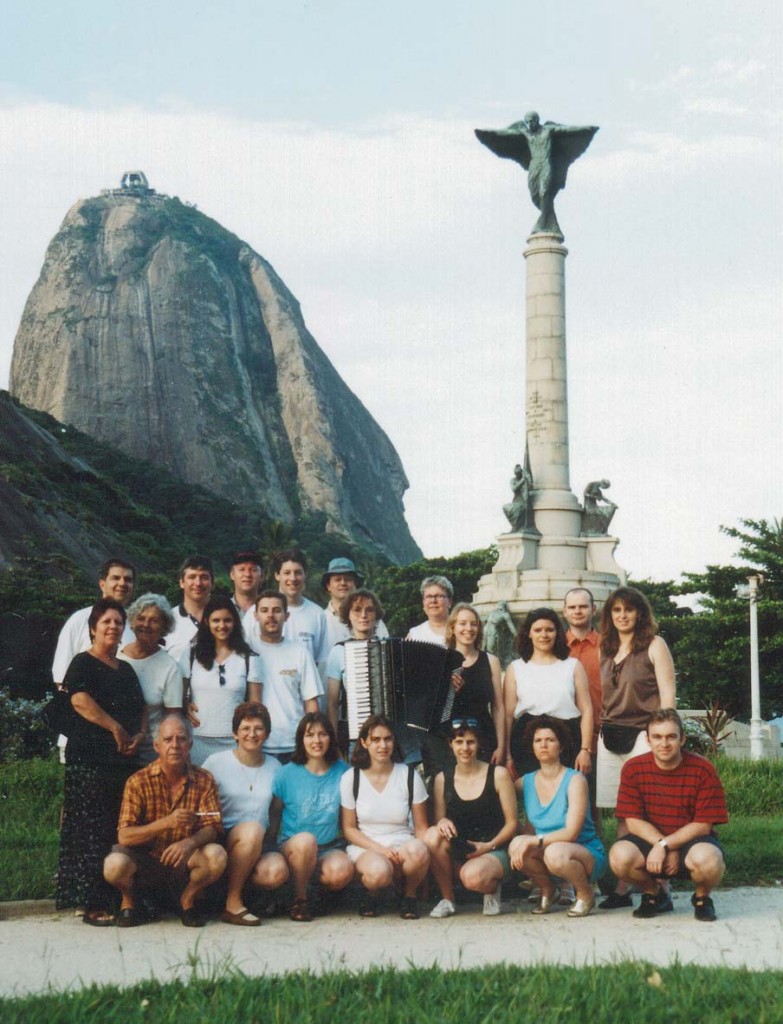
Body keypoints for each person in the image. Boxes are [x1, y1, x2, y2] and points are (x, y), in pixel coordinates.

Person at [56, 597, 146, 925]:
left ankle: (118, 895)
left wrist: (139, 735)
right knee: (88, 831)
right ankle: (90, 902)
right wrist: (115, 728)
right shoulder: (82, 662)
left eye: (118, 623)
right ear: (93, 628)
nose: (113, 627)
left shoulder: (126, 669)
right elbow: (79, 701)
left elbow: (142, 709)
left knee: (115, 829)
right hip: (89, 760)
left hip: (121, 762)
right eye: (106, 621)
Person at [103, 714, 227, 928]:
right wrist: (167, 823)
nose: (175, 745)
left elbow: (213, 826)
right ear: (156, 746)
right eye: (168, 739)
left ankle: (187, 900)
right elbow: (124, 836)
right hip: (145, 858)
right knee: (114, 866)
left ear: (190, 745)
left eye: (181, 739)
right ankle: (130, 901)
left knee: (217, 855)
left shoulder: (204, 779)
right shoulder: (138, 781)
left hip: (185, 859)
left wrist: (189, 843)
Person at [597, 586, 676, 910]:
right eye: (616, 610)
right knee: (623, 812)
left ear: (640, 613)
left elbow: (668, 696)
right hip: (609, 735)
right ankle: (624, 883)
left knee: (651, 811)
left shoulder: (654, 645)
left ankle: (662, 885)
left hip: (643, 734)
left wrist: (662, 737)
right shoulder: (605, 647)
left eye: (628, 610)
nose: (622, 615)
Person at [609, 709, 727, 922]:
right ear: (648, 740)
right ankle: (654, 893)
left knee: (709, 860)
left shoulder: (703, 769)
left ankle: (702, 898)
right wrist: (661, 845)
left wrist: (666, 846)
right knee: (619, 856)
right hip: (650, 842)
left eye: (671, 737)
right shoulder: (633, 769)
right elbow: (633, 822)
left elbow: (703, 825)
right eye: (657, 737)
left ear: (682, 739)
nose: (664, 744)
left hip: (693, 842)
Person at [509, 717, 606, 916]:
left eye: (550, 740)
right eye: (538, 740)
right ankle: (548, 890)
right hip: (548, 850)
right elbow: (498, 795)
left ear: (561, 746)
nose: (543, 745)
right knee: (516, 845)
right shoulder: (525, 782)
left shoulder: (575, 780)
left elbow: (571, 833)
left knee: (554, 852)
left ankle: (585, 893)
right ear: (532, 747)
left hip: (583, 852)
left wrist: (532, 840)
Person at [202, 702, 288, 926]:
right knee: (252, 830)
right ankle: (232, 902)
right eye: (245, 728)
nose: (252, 734)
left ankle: (238, 893)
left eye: (259, 728)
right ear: (235, 733)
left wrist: (269, 840)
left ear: (266, 734)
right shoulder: (215, 763)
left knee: (276, 871)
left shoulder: (275, 767)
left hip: (257, 842)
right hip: (223, 841)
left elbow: (276, 811)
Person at [424, 719, 518, 918]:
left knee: (472, 878)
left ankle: (492, 888)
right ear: (450, 744)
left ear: (478, 743)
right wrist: (442, 822)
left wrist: (489, 845)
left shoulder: (498, 774)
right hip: (462, 848)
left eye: (470, 742)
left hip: (494, 848)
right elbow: (439, 820)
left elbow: (512, 823)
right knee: (432, 835)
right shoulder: (442, 779)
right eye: (459, 742)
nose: (465, 748)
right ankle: (447, 899)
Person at [340, 715, 430, 919]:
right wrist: (381, 850)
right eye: (376, 740)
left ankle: (409, 896)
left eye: (388, 739)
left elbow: (421, 827)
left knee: (419, 850)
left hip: (402, 843)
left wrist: (424, 867)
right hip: (367, 846)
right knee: (379, 873)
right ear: (364, 742)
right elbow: (349, 829)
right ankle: (372, 893)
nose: (383, 745)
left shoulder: (408, 775)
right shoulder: (351, 778)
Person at [51, 558, 136, 762]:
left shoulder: (135, 626)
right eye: (115, 578)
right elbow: (62, 680)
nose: (122, 583)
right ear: (102, 583)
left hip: (123, 741)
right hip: (84, 738)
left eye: (128, 579)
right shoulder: (79, 620)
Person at [273, 712, 353, 921]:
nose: (316, 740)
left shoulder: (344, 772)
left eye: (322, 734)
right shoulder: (285, 774)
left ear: (330, 738)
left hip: (328, 847)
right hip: (294, 847)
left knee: (341, 871)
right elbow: (274, 817)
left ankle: (315, 892)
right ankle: (300, 901)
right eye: (310, 735)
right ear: (301, 739)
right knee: (306, 841)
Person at [503, 607, 593, 778]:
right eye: (538, 630)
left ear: (557, 633)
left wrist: (585, 750)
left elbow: (587, 709)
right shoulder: (516, 668)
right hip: (526, 740)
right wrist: (507, 755)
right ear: (529, 633)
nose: (544, 635)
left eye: (549, 630)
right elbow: (507, 716)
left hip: (567, 738)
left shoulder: (572, 666)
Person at [423, 604, 504, 779]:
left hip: (482, 736)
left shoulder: (491, 661)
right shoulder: (439, 660)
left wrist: (501, 746)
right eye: (463, 623)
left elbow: (498, 707)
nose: (469, 628)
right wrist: (446, 688)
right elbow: (429, 709)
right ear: (453, 628)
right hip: (446, 738)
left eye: (474, 624)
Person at [185, 596, 261, 765]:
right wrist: (185, 704)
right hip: (198, 740)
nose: (222, 625)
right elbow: (180, 696)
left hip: (235, 741)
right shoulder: (191, 654)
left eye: (227, 620)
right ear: (207, 622)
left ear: (235, 622)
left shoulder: (249, 658)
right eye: (216, 620)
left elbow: (255, 706)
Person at [250, 590, 322, 762]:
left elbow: (311, 703)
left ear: (286, 616)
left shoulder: (300, 652)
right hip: (258, 744)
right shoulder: (247, 651)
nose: (271, 615)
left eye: (277, 610)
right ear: (255, 615)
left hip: (294, 745)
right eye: (264, 610)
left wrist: (310, 739)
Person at [118, 593, 182, 764]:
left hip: (150, 755)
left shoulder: (170, 667)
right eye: (141, 618)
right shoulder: (116, 656)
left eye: (154, 620)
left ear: (164, 626)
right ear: (132, 621)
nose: (146, 625)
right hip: (112, 750)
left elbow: (173, 717)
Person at [244, 549, 328, 670]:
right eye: (287, 573)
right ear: (277, 575)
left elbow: (322, 662)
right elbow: (243, 656)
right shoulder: (256, 613)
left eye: (298, 572)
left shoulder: (317, 614)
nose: (293, 578)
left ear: (305, 575)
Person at [562, 588, 602, 827]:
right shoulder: (555, 646)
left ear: (593, 609)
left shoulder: (607, 646)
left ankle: (595, 843)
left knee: (593, 798)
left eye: (583, 606)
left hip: (596, 732)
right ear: (564, 611)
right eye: (572, 607)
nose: (577, 611)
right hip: (563, 731)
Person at [326, 588, 385, 742]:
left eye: (369, 610)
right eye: (357, 610)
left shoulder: (389, 649)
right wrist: (334, 743)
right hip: (355, 734)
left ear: (376, 615)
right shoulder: (338, 651)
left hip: (387, 734)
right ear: (348, 615)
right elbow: (332, 704)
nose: (363, 615)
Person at [322, 557, 389, 649]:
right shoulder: (321, 619)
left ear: (355, 584)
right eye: (337, 579)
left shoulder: (373, 620)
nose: (343, 583)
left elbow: (385, 648)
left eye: (348, 579)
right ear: (328, 586)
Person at [166, 556, 214, 662]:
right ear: (182, 582)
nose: (198, 583)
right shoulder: (167, 620)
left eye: (204, 577)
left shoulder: (225, 619)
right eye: (192, 577)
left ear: (212, 583)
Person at [407, 576, 453, 646]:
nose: (433, 601)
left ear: (449, 602)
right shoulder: (414, 635)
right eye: (429, 596)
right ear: (423, 602)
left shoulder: (462, 630)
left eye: (439, 596)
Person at [229, 551, 265, 615]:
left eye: (253, 570)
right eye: (242, 569)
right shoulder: (223, 608)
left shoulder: (269, 610)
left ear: (262, 576)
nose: (247, 574)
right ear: (232, 575)